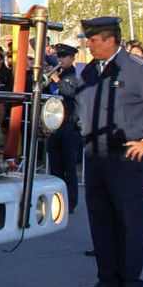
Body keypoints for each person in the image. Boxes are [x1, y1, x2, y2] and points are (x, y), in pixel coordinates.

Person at [76, 17, 143, 287]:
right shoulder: (91, 71)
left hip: (126, 155)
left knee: (129, 222)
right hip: (95, 154)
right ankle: (108, 279)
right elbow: (81, 106)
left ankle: (130, 283)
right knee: (100, 218)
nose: (89, 45)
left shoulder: (137, 70)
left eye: (93, 41)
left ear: (109, 40)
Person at [46, 43, 80, 213]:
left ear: (72, 58)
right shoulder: (58, 72)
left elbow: (70, 93)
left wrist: (58, 81)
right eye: (58, 57)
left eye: (64, 57)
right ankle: (56, 202)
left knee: (69, 167)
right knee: (55, 167)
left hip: (69, 126)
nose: (60, 60)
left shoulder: (74, 75)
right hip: (54, 126)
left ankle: (71, 202)